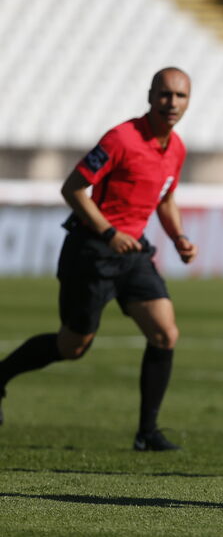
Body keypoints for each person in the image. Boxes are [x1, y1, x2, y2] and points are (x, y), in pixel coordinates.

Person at [0, 68, 197, 451]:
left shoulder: (176, 148)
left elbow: (166, 199)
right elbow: (72, 187)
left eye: (180, 96)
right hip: (92, 251)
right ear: (150, 95)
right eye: (164, 94)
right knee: (73, 346)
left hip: (134, 253)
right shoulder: (121, 138)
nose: (172, 103)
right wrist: (109, 232)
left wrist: (179, 238)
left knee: (164, 333)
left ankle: (147, 432)